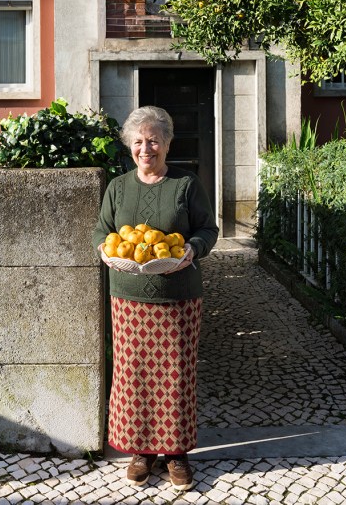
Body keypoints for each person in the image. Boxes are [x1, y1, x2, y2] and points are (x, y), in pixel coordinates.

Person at [93, 105, 219, 491]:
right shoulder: (118, 187)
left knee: (177, 376)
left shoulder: (186, 184)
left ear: (166, 143)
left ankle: (176, 454)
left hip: (178, 297)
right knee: (133, 377)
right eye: (138, 141)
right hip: (129, 297)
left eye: (153, 140)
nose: (145, 148)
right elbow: (103, 231)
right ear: (130, 146)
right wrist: (103, 249)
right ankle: (140, 452)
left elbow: (207, 229)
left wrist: (192, 251)